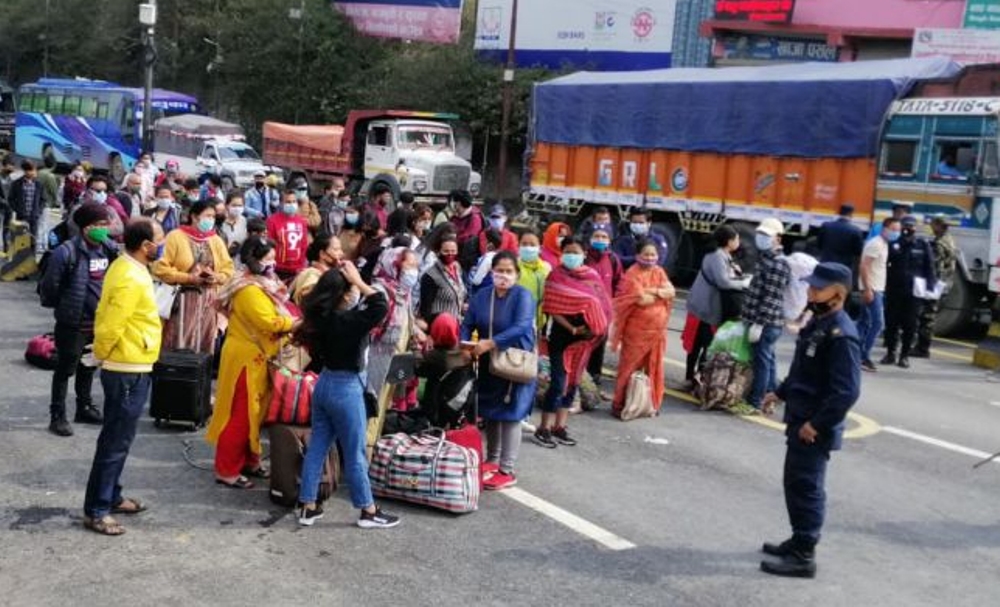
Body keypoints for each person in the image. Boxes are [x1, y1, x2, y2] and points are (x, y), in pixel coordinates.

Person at [759, 262, 861, 578]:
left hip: (814, 427)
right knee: (795, 481)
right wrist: (779, 392)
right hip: (801, 417)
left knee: (806, 485)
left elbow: (846, 391)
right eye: (811, 286)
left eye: (819, 287)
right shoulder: (818, 322)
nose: (811, 291)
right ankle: (799, 538)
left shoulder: (841, 334)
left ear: (838, 293)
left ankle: (805, 555)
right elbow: (804, 372)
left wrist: (817, 424)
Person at [294, 263, 400, 528]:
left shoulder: (321, 316)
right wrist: (360, 282)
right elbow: (380, 305)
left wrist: (353, 282)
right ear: (343, 294)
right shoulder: (349, 321)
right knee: (355, 452)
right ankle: (368, 510)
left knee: (318, 446)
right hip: (346, 388)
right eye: (351, 289)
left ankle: (308, 505)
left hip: (324, 383)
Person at [82, 218, 165, 536]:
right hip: (126, 366)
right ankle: (97, 510)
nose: (162, 245)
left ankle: (111, 496)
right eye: (159, 239)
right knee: (115, 440)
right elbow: (111, 324)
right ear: (145, 246)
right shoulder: (130, 275)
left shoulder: (129, 266)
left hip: (135, 361)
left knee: (120, 438)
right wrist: (100, 354)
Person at [207, 237, 300, 489]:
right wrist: (294, 323)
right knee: (240, 415)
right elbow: (269, 322)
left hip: (259, 357)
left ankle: (250, 460)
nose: (272, 263)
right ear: (253, 260)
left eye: (273, 257)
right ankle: (226, 470)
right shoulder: (248, 289)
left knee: (256, 414)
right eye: (266, 258)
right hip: (245, 360)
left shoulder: (265, 284)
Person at [460, 251, 537, 490]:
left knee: (511, 413)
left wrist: (492, 343)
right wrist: (464, 345)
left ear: (517, 273)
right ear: (491, 271)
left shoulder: (523, 296)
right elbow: (468, 323)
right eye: (499, 270)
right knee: (491, 411)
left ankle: (507, 468)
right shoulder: (482, 296)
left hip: (515, 361)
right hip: (487, 360)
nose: (503, 275)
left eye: (508, 271)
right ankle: (492, 460)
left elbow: (522, 326)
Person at [39, 204, 118, 436]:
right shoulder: (66, 252)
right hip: (73, 323)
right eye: (98, 225)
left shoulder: (109, 249)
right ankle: (58, 415)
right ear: (85, 227)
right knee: (65, 368)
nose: (103, 229)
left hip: (99, 321)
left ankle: (84, 406)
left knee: (89, 366)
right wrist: (65, 308)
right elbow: (49, 286)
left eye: (105, 224)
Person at [538, 237, 612, 448]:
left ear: (583, 254)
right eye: (568, 251)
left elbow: (603, 305)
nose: (572, 255)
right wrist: (572, 328)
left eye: (576, 251)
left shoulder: (592, 276)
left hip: (584, 340)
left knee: (573, 383)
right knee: (559, 383)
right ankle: (543, 427)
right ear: (562, 254)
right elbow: (552, 307)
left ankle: (559, 427)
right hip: (562, 337)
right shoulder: (556, 276)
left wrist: (593, 327)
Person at [152, 199, 235, 354]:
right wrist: (189, 278)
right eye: (207, 216)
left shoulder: (215, 239)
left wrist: (216, 277)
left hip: (208, 301)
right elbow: (160, 269)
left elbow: (228, 268)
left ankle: (200, 375)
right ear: (194, 217)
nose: (210, 220)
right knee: (177, 340)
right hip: (181, 300)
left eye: (213, 217)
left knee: (204, 342)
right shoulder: (175, 236)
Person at [609, 239, 676, 416]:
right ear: (638, 255)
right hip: (636, 332)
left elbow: (671, 291)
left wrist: (653, 291)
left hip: (657, 331)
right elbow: (640, 299)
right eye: (646, 254)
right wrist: (659, 292)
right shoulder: (632, 273)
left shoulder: (659, 271)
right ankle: (620, 403)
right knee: (629, 367)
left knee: (654, 367)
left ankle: (651, 403)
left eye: (653, 254)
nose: (649, 257)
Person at [683, 225, 748, 388]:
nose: (739, 241)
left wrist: (739, 276)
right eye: (737, 238)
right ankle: (692, 378)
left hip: (707, 307)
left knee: (703, 344)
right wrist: (744, 283)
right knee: (702, 344)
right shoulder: (717, 256)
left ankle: (697, 377)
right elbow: (723, 282)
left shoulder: (724, 256)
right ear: (729, 241)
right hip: (704, 309)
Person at [368, 247, 426, 411]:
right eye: (409, 266)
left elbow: (405, 321)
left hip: (396, 360)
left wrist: (415, 331)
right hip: (377, 360)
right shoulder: (380, 292)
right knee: (372, 404)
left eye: (416, 267)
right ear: (393, 265)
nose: (413, 272)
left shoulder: (403, 294)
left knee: (384, 406)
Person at [742, 218, 791, 411]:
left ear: (778, 238)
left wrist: (759, 324)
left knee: (761, 362)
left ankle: (755, 401)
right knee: (767, 359)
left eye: (766, 236)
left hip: (766, 322)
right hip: (763, 321)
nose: (761, 238)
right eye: (760, 234)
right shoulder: (766, 259)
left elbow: (771, 297)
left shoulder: (778, 264)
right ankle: (771, 394)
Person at [881, 216, 936, 369]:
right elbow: (883, 265)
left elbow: (929, 268)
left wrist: (931, 289)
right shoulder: (893, 244)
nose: (908, 229)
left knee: (910, 325)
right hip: (894, 290)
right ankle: (891, 352)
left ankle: (904, 356)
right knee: (891, 323)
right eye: (906, 226)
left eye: (911, 227)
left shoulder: (922, 245)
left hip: (913, 293)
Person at [584, 226, 623, 396]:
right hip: (584, 309)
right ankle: (580, 373)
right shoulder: (584, 257)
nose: (600, 239)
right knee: (584, 341)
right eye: (596, 236)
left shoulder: (613, 259)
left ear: (609, 240)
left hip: (604, 311)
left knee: (600, 342)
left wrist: (614, 303)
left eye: (604, 236)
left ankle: (595, 375)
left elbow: (619, 282)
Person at [856, 218, 898, 372]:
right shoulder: (876, 244)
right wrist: (867, 289)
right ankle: (863, 356)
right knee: (878, 323)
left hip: (876, 288)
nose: (896, 233)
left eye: (897, 230)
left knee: (863, 323)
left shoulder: (884, 244)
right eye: (893, 229)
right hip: (872, 289)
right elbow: (864, 266)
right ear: (885, 228)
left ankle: (856, 353)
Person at [914, 217, 958, 358]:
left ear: (939, 225)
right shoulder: (948, 239)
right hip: (943, 282)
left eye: (933, 224)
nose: (931, 227)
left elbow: (935, 268)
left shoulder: (939, 244)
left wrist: (928, 285)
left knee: (927, 316)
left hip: (934, 284)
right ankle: (922, 347)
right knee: (929, 315)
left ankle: (922, 348)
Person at [419, 233, 466, 324]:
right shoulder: (430, 275)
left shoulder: (457, 269)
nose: (450, 254)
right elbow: (425, 309)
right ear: (438, 251)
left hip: (457, 323)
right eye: (446, 251)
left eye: (453, 251)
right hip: (440, 326)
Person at [266, 190, 309, 282]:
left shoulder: (302, 222)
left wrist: (301, 265)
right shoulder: (272, 220)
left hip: (297, 269)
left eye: (294, 201)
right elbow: (269, 244)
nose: (292, 204)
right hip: (278, 269)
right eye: (288, 202)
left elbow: (304, 245)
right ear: (281, 203)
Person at [290, 233, 344, 306]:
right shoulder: (312, 274)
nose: (341, 253)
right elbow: (308, 299)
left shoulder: (330, 273)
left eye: (340, 249)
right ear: (322, 254)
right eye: (336, 249)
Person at [516, 229, 551, 333]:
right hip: (513, 317)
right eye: (524, 244)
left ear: (540, 248)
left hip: (537, 320)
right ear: (519, 245)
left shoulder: (546, 268)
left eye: (532, 244)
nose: (528, 248)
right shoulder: (512, 266)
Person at [817, 204, 864, 271]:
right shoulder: (856, 231)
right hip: (843, 269)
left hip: (825, 265)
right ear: (851, 214)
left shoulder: (826, 226)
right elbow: (858, 252)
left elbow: (819, 245)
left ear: (839, 212)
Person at [9, 160, 42, 244]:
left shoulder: (38, 184)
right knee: (21, 241)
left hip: (34, 217)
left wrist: (39, 210)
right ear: (26, 171)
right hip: (21, 216)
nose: (34, 172)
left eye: (34, 170)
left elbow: (43, 199)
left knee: (33, 240)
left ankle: (32, 256)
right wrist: (17, 210)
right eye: (32, 170)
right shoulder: (17, 184)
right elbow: (11, 199)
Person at [218, 190, 248, 256]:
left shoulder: (245, 221)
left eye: (240, 205)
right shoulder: (219, 223)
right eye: (234, 205)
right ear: (226, 205)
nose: (237, 208)